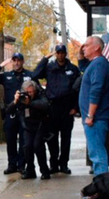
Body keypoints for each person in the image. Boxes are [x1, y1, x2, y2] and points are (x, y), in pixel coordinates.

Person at [32, 44, 80, 174]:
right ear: (56, 54)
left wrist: (76, 108)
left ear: (65, 53)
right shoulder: (49, 67)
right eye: (58, 53)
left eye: (62, 52)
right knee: (52, 138)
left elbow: (78, 90)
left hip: (67, 108)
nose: (60, 55)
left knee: (66, 138)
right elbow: (34, 75)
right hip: (52, 107)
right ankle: (53, 164)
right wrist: (45, 59)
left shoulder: (73, 69)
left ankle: (63, 164)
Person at [0, 52, 34, 175]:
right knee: (11, 140)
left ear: (22, 61)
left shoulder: (29, 75)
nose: (16, 63)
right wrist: (1, 65)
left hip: (25, 111)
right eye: (14, 60)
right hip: (11, 111)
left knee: (24, 140)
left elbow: (36, 89)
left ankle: (21, 165)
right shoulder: (7, 75)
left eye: (19, 60)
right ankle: (12, 164)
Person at [79, 36, 109, 175]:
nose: (83, 48)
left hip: (96, 119)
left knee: (97, 155)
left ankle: (102, 187)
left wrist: (90, 115)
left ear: (96, 47)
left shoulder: (99, 64)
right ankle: (101, 185)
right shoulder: (94, 64)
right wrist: (81, 54)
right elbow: (81, 65)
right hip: (94, 118)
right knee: (96, 154)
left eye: (87, 45)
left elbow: (96, 89)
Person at [6, 80, 51, 179]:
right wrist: (15, 101)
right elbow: (8, 110)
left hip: (40, 124)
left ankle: (44, 170)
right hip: (28, 125)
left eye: (31, 92)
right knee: (27, 146)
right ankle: (30, 170)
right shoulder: (22, 97)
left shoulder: (40, 94)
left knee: (37, 146)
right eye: (27, 92)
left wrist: (30, 103)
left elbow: (44, 105)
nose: (29, 94)